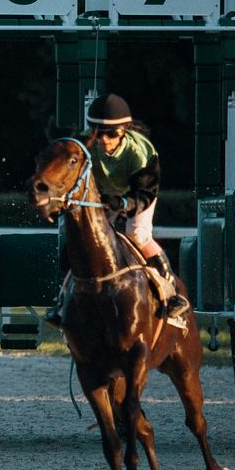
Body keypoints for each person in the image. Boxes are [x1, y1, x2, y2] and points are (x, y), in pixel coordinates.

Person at [47, 92, 191, 328]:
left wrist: (124, 204)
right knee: (75, 236)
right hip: (103, 196)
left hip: (139, 194)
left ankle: (171, 294)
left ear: (124, 130)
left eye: (111, 134)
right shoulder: (86, 146)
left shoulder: (141, 153)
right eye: (98, 133)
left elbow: (145, 192)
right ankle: (62, 301)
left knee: (137, 233)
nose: (104, 140)